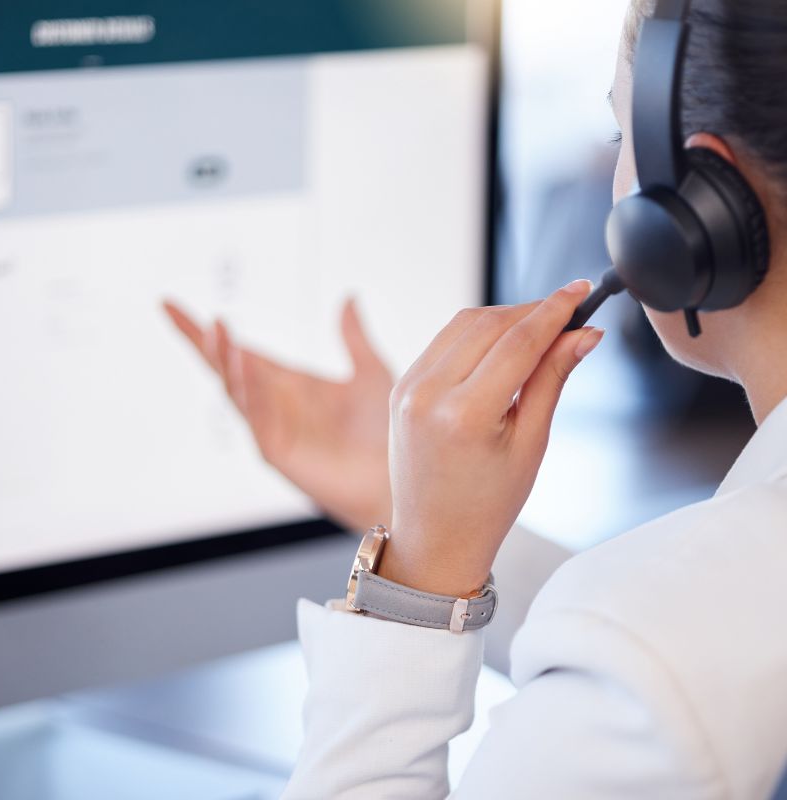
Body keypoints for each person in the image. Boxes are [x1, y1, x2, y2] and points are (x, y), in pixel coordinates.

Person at [165, 0, 787, 796]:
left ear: (704, 202)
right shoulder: (680, 636)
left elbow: (661, 654)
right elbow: (677, 637)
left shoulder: (660, 657)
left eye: (617, 136)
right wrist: (415, 506)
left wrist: (413, 585)